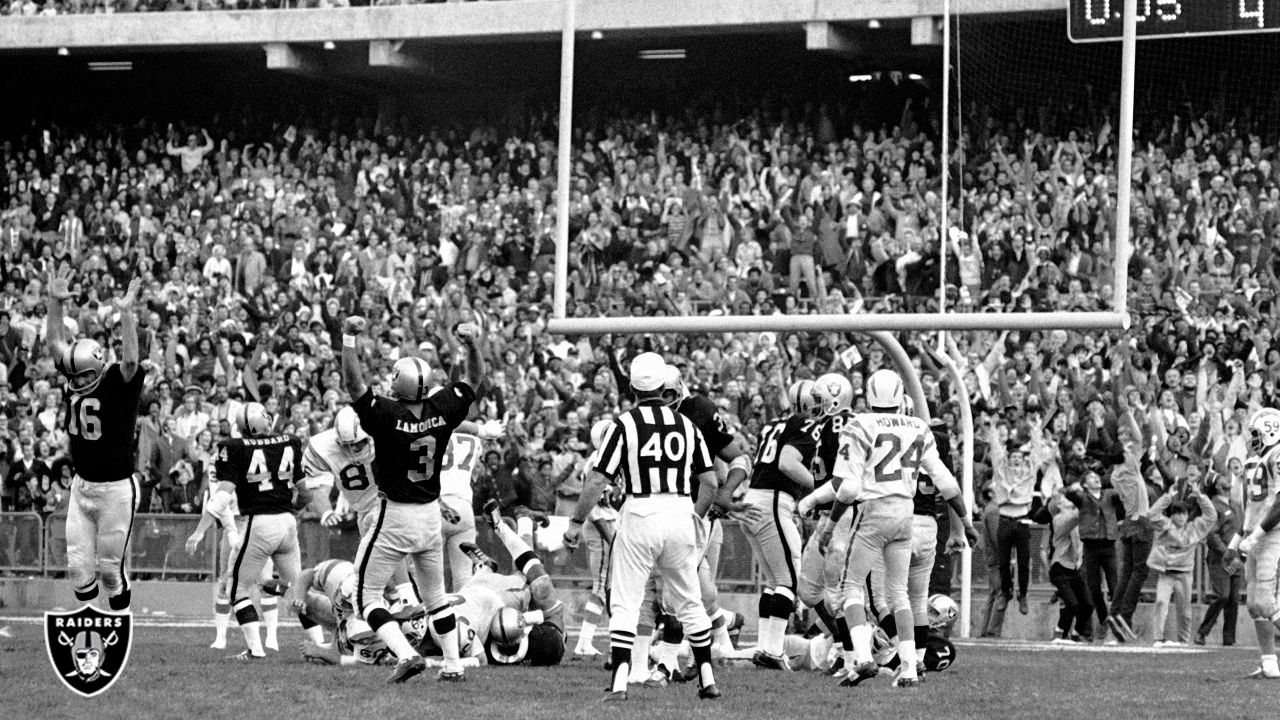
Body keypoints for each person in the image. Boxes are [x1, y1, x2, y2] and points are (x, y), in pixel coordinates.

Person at [562, 352, 721, 702]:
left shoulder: (625, 424)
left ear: (632, 386)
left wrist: (575, 522)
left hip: (640, 510)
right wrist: (693, 516)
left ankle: (620, 683)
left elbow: (598, 478)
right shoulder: (687, 425)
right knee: (689, 599)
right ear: (664, 385)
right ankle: (707, 678)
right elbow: (710, 481)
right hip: (680, 510)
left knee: (626, 600)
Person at [340, 316, 483, 684]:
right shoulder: (443, 409)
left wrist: (349, 338)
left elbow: (353, 383)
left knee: (365, 595)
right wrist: (472, 346)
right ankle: (452, 665)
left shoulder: (387, 415)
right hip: (430, 515)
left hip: (396, 514)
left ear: (398, 384)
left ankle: (406, 654)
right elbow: (473, 380)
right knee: (436, 596)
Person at [825, 369, 976, 689]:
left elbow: (848, 490)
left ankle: (863, 656)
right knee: (900, 596)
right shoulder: (919, 427)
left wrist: (830, 523)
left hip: (874, 510)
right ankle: (909, 667)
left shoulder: (859, 425)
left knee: (850, 588)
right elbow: (946, 483)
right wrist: (965, 522)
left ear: (868, 395)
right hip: (906, 514)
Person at [45, 267, 145, 610]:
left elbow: (131, 359)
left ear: (99, 369)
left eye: (82, 374)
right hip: (82, 484)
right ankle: (90, 628)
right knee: (78, 568)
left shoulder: (117, 381)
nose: (74, 380)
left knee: (110, 573)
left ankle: (120, 623)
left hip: (116, 488)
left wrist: (126, 313)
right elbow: (55, 343)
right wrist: (54, 304)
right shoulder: (76, 370)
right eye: (71, 375)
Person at [202, 402, 305, 660]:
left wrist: (201, 527)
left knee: (235, 586)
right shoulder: (288, 442)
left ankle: (257, 647)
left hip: (253, 523)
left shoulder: (232, 449)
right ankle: (323, 640)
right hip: (283, 521)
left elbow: (222, 492)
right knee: (297, 588)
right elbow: (305, 492)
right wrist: (293, 508)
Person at [740, 378, 818, 670]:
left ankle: (764, 648)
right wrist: (819, 488)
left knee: (774, 582)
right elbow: (787, 464)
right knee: (788, 581)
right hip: (772, 501)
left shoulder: (774, 424)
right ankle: (772, 651)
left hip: (754, 498)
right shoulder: (805, 424)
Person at [1224, 407, 1280, 679]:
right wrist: (1235, 542)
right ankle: (1269, 663)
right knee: (1255, 606)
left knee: (1269, 604)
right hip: (1255, 537)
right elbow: (1248, 508)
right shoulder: (1252, 462)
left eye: (1257, 434)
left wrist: (1254, 537)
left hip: (1274, 537)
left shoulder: (1277, 455)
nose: (1252, 440)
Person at [1145, 484, 1217, 646]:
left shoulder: (1194, 528)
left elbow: (1211, 516)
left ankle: (1183, 641)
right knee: (1161, 602)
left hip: (1185, 574)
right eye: (1176, 514)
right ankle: (1158, 638)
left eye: (1183, 514)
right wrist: (1167, 498)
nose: (1180, 517)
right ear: (1172, 516)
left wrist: (1200, 497)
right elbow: (1151, 514)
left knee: (1185, 610)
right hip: (1166, 573)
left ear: (1187, 515)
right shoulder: (1164, 526)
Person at [573, 419, 620, 657]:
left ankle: (609, 640)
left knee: (610, 586)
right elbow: (593, 507)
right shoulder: (596, 462)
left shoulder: (605, 459)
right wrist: (610, 537)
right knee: (603, 586)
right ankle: (584, 641)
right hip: (601, 527)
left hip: (608, 524)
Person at [1195, 473, 1240, 646]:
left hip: (1236, 558)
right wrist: (1226, 554)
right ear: (1217, 485)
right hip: (1219, 558)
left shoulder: (1235, 504)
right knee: (1222, 595)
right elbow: (1212, 535)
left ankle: (1229, 639)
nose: (1227, 479)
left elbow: (1241, 529)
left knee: (1234, 599)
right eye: (1222, 478)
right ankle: (1202, 632)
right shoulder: (1213, 506)